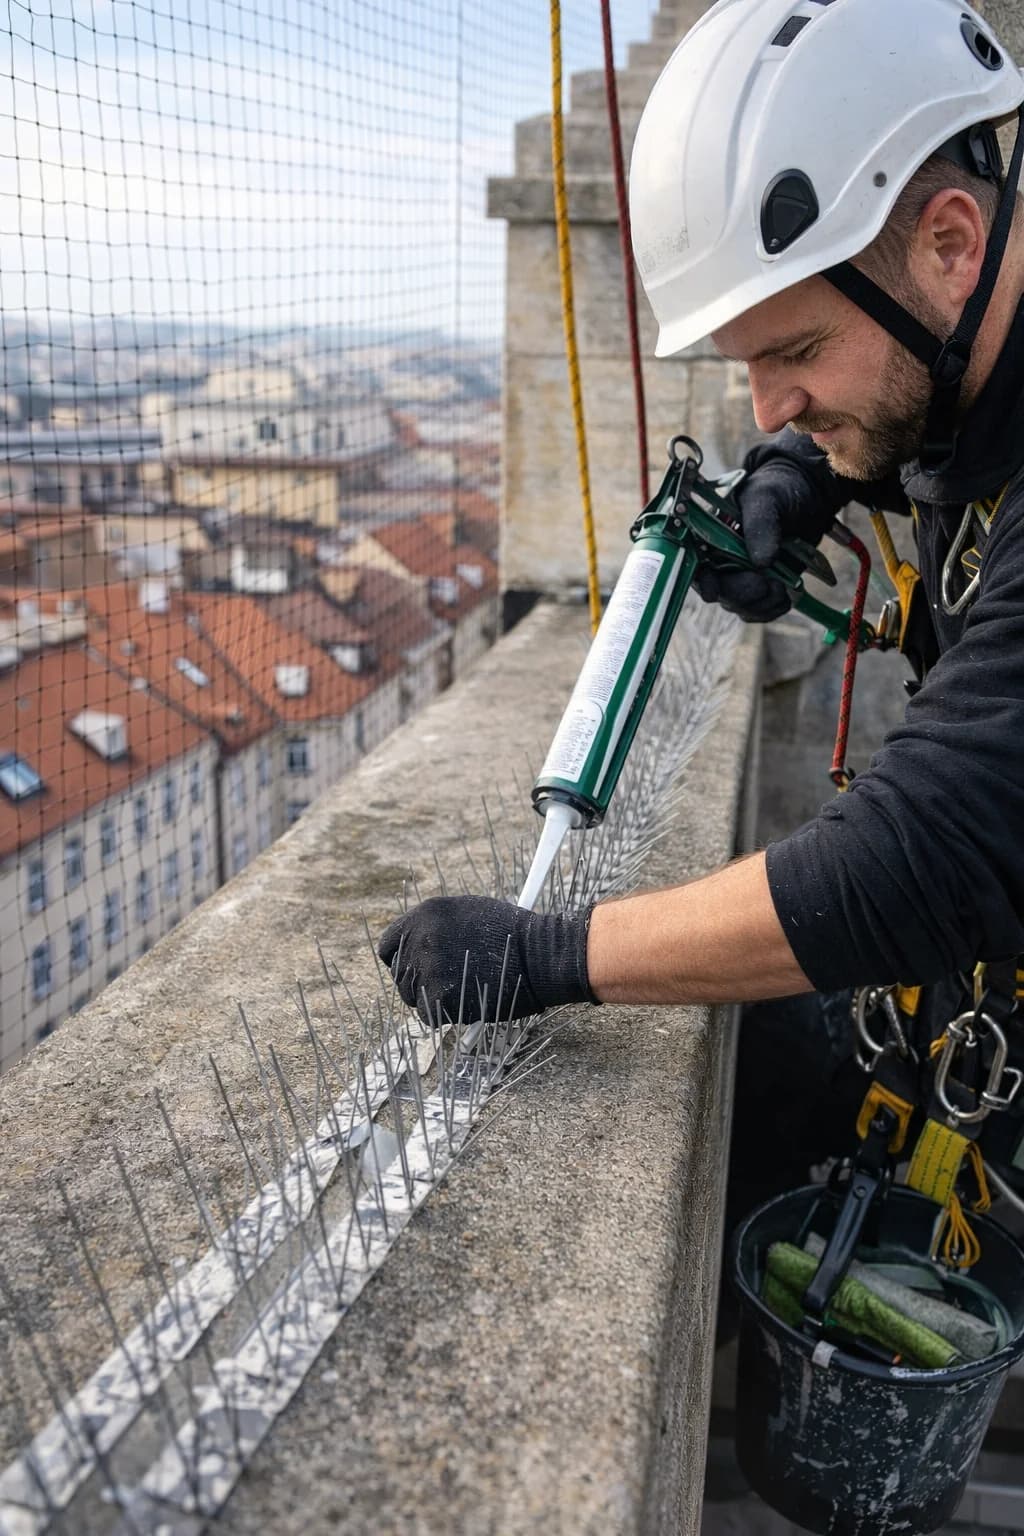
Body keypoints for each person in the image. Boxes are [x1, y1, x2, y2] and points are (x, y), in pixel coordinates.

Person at [379, 0, 1024, 1217]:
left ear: (948, 243)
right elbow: (929, 424)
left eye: (793, 349)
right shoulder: (967, 348)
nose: (766, 403)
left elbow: (932, 850)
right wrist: (801, 478)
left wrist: (550, 955)